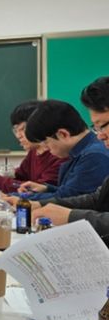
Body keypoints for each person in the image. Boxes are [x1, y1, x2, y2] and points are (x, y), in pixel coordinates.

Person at [32, 77, 109, 245]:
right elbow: (97, 199)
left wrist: (70, 216)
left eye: (103, 125)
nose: (100, 135)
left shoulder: (96, 154)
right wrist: (40, 204)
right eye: (96, 128)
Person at [12, 99, 109, 201]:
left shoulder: (94, 155)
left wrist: (17, 197)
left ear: (63, 134)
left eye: (46, 142)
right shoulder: (80, 151)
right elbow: (72, 191)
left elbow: (70, 198)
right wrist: (47, 189)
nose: (46, 148)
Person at [0, 101, 65, 192]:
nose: (18, 136)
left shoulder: (59, 154)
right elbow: (19, 177)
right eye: (16, 130)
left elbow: (36, 189)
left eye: (23, 129)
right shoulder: (34, 151)